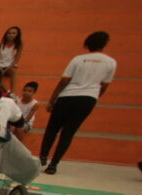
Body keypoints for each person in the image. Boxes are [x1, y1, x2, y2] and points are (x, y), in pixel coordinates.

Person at [40, 31, 115, 175]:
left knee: (52, 128)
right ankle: (53, 165)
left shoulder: (78, 59)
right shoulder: (110, 62)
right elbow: (104, 85)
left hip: (67, 96)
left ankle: (43, 157)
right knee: (68, 132)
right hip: (88, 98)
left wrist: (52, 99)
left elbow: (64, 81)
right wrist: (93, 96)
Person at [0, 26, 23, 93]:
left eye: (13, 33)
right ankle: (5, 90)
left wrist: (7, 68)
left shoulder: (18, 45)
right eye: (9, 33)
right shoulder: (1, 45)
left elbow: (16, 59)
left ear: (17, 35)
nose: (11, 35)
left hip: (9, 66)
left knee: (13, 71)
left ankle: (12, 92)